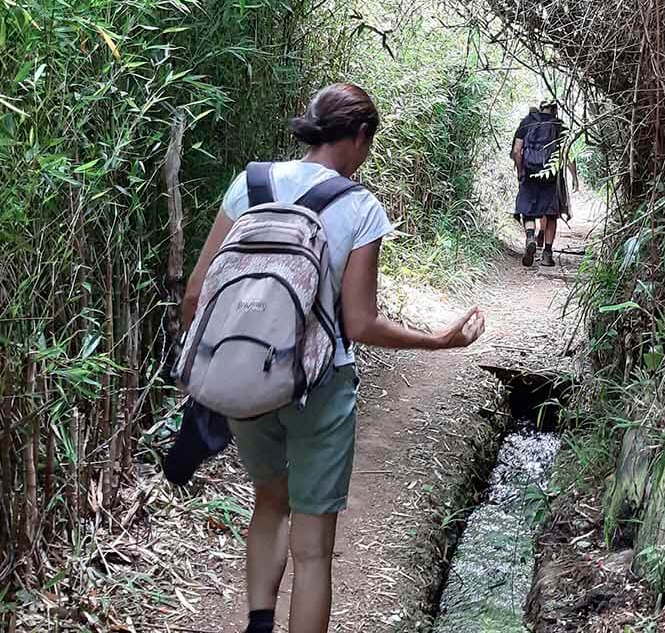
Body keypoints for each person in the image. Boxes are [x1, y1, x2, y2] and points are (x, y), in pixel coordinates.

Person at [181, 83, 486, 633]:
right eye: (369, 142)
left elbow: (197, 295)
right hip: (320, 386)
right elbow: (359, 323)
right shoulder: (359, 206)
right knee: (315, 547)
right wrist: (438, 342)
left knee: (269, 503)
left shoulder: (250, 183)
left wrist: (221, 371)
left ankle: (257, 625)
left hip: (248, 378)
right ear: (360, 136)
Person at [512, 100, 568, 267]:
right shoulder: (559, 125)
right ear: (555, 110)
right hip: (550, 177)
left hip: (529, 172)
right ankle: (547, 255)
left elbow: (516, 150)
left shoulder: (527, 121)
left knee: (527, 211)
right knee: (550, 215)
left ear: (541, 107)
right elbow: (566, 154)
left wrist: (520, 170)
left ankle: (530, 237)